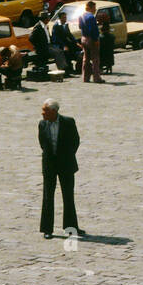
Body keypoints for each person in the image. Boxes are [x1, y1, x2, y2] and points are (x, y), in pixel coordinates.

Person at [38, 99, 84, 238]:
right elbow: (42, 143)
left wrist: (66, 156)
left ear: (54, 111)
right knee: (48, 196)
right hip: (49, 165)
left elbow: (75, 141)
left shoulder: (68, 122)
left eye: (45, 111)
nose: (42, 113)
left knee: (68, 196)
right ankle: (47, 229)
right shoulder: (42, 124)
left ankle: (71, 227)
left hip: (66, 164)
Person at [78, 1, 102, 83]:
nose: (95, 10)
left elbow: (80, 26)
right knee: (95, 59)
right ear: (90, 7)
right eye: (94, 8)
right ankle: (96, 77)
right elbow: (93, 30)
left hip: (84, 38)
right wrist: (96, 40)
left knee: (86, 59)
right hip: (91, 39)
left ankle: (85, 77)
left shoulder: (81, 15)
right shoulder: (91, 17)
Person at [51, 9, 82, 75]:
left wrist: (76, 42)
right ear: (60, 18)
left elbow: (70, 35)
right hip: (59, 44)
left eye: (65, 17)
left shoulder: (66, 25)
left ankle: (78, 67)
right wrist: (63, 46)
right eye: (63, 18)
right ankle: (68, 69)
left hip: (67, 43)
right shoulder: (56, 26)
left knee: (79, 49)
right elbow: (56, 38)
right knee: (66, 52)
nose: (65, 19)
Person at [98, 10, 116, 74]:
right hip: (109, 55)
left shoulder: (100, 37)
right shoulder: (112, 37)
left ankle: (100, 68)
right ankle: (109, 68)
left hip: (102, 55)